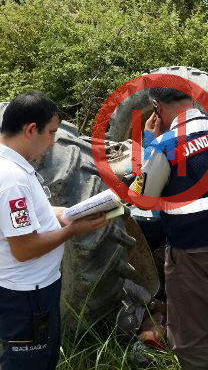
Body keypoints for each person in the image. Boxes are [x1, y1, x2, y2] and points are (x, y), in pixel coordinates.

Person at [129, 83, 208, 370]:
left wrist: (148, 145)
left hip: (192, 253)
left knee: (193, 335)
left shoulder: (165, 145)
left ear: (157, 108)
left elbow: (142, 200)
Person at [0, 91, 108, 370]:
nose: (52, 141)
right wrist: (74, 230)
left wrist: (68, 213)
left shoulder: (14, 168)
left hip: (34, 290)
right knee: (29, 363)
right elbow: (24, 249)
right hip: (27, 296)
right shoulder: (12, 179)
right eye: (51, 132)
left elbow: (34, 215)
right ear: (30, 130)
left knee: (42, 359)